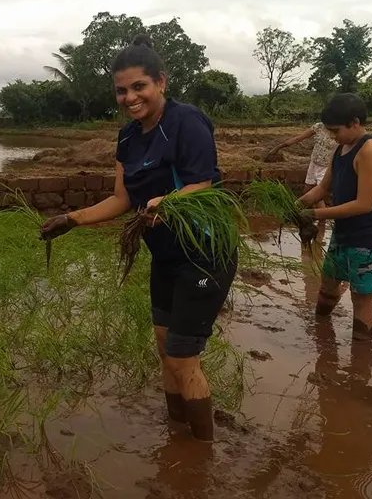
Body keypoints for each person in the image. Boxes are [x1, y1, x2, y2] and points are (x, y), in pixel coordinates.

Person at [39, 34, 238, 442]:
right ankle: (176, 435)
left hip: (203, 256)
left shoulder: (187, 121)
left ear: (161, 82)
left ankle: (201, 455)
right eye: (121, 90)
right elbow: (122, 198)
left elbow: (202, 183)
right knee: (166, 351)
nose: (130, 98)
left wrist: (163, 202)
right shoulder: (128, 137)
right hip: (165, 257)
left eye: (139, 87)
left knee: (183, 357)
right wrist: (72, 218)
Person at [297, 93, 372, 341]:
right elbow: (322, 188)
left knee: (361, 297)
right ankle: (320, 336)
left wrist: (314, 213)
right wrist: (296, 204)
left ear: (354, 123)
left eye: (335, 130)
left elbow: (364, 204)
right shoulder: (341, 149)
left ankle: (361, 359)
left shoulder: (370, 150)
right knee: (328, 285)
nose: (332, 136)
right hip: (344, 235)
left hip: (371, 238)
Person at [266, 122, 337, 208]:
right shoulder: (318, 127)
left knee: (318, 195)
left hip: (326, 167)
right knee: (307, 190)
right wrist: (279, 147)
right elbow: (298, 138)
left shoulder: (339, 130)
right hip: (314, 163)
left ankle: (321, 219)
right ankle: (314, 214)